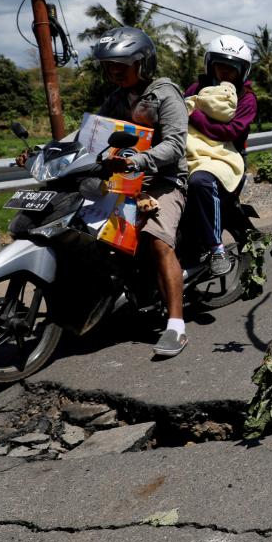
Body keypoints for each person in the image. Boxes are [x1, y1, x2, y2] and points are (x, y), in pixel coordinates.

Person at [92, 26, 190, 357]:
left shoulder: (165, 94)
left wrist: (140, 160)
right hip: (127, 179)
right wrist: (44, 150)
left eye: (122, 64)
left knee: (157, 240)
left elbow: (176, 145)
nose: (114, 71)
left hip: (164, 180)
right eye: (109, 66)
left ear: (143, 63)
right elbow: (93, 134)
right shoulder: (116, 99)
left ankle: (176, 326)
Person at [182, 35, 257, 277]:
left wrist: (194, 115)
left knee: (200, 182)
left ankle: (216, 249)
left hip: (226, 158)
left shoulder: (246, 99)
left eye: (231, 69)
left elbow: (230, 131)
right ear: (210, 64)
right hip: (190, 152)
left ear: (242, 72)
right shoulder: (196, 89)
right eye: (220, 65)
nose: (224, 73)